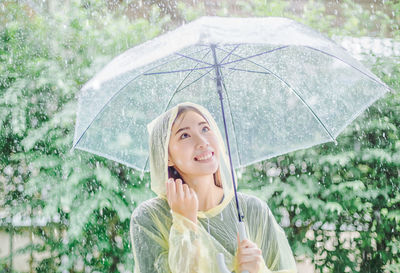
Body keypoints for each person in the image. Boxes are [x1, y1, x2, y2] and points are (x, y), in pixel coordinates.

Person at [130, 102, 297, 273]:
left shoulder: (253, 210)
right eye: (185, 135)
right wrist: (184, 224)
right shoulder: (149, 218)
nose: (202, 142)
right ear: (167, 156)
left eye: (205, 129)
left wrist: (260, 270)